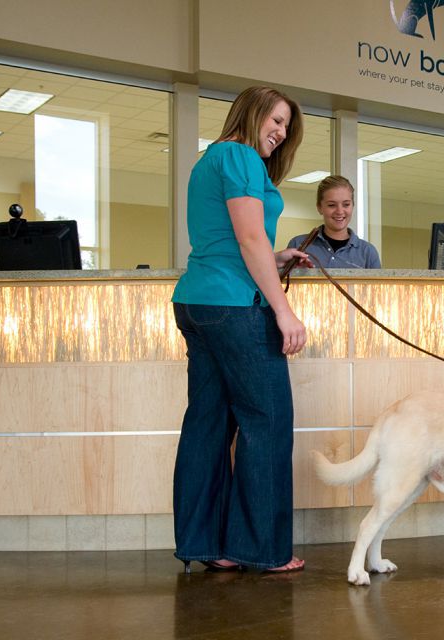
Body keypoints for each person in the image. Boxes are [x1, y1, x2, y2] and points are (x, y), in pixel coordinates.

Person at [171, 86, 312, 574]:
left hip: (196, 302)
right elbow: (251, 236)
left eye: (286, 127)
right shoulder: (243, 157)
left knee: (207, 425)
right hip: (234, 308)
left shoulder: (209, 159)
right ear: (251, 114)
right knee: (266, 422)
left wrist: (276, 258)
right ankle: (263, 549)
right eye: (275, 121)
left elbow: (229, 241)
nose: (279, 133)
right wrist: (283, 310)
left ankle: (210, 544)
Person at [286, 175, 381, 269]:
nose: (339, 211)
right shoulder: (298, 244)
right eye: (332, 205)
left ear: (353, 206)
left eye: (346, 204)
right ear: (319, 208)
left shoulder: (367, 252)